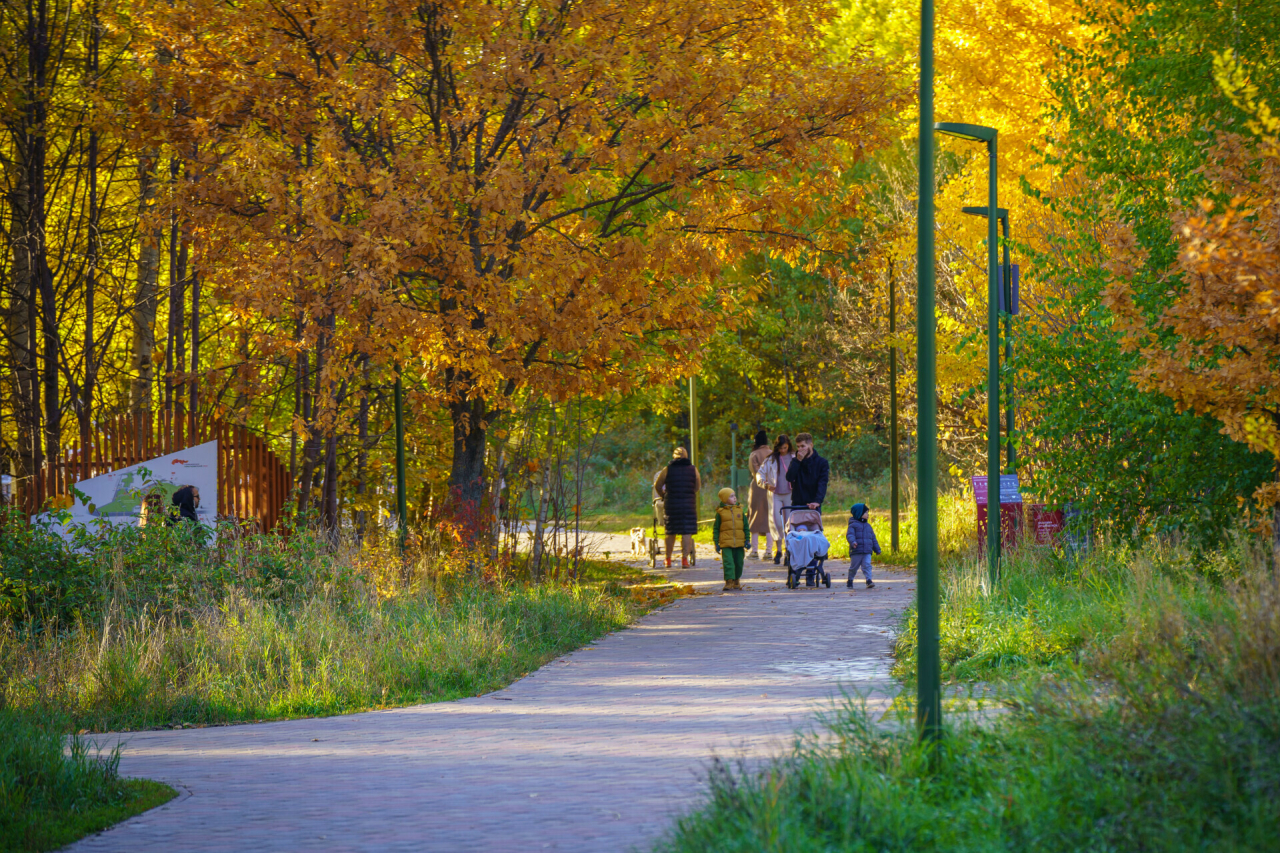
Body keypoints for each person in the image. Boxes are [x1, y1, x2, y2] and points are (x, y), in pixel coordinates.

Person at [654, 447, 701, 568]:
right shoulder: (693, 469)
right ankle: (684, 560)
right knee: (686, 531)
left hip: (672, 504)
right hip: (688, 504)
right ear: (686, 456)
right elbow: (697, 486)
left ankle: (668, 559)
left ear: (674, 456)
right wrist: (689, 493)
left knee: (671, 531)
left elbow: (657, 485)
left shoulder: (667, 469)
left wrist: (663, 495)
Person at [764, 434, 794, 565]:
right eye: (780, 448)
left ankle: (788, 551)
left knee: (789, 523)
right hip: (775, 493)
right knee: (776, 522)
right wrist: (765, 484)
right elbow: (760, 473)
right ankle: (779, 549)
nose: (783, 450)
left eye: (785, 448)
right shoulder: (771, 459)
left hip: (790, 493)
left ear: (788, 445)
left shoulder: (794, 457)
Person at [713, 487, 748, 592]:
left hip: (739, 542)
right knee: (728, 562)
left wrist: (747, 540)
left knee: (738, 562)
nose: (735, 498)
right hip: (726, 543)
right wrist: (716, 542)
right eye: (731, 496)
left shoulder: (740, 511)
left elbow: (746, 526)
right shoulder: (720, 513)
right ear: (724, 499)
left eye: (734, 495)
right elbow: (716, 528)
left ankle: (736, 580)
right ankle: (728, 581)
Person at [785, 432, 829, 510]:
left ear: (811, 445)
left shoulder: (822, 462)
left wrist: (817, 501)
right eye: (798, 447)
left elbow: (822, 483)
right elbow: (789, 477)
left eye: (803, 446)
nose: (800, 449)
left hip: (813, 504)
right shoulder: (795, 461)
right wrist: (798, 461)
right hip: (797, 504)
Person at [746, 430, 773, 559]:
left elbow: (754, 470)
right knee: (769, 518)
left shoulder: (754, 454)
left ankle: (754, 551)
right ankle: (769, 551)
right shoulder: (773, 453)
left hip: (757, 487)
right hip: (772, 487)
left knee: (755, 517)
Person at [845, 502, 880, 589]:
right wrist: (853, 542)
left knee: (867, 565)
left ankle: (869, 580)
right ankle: (850, 580)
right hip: (856, 550)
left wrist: (877, 549)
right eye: (865, 513)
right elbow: (850, 535)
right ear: (859, 513)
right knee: (854, 567)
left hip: (867, 551)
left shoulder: (868, 526)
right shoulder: (853, 525)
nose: (867, 514)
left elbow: (873, 539)